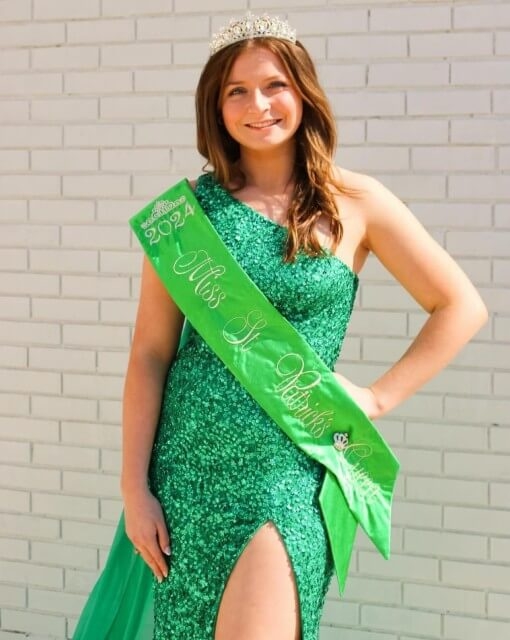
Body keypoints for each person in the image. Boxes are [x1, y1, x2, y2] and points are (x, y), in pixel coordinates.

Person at [74, 12, 488, 640]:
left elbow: (460, 305)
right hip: (188, 467)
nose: (257, 104)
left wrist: (377, 396)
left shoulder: (357, 202)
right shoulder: (184, 214)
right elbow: (151, 355)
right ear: (214, 107)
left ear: (303, 93)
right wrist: (134, 485)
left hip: (289, 464)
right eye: (235, 90)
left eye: (274, 85)